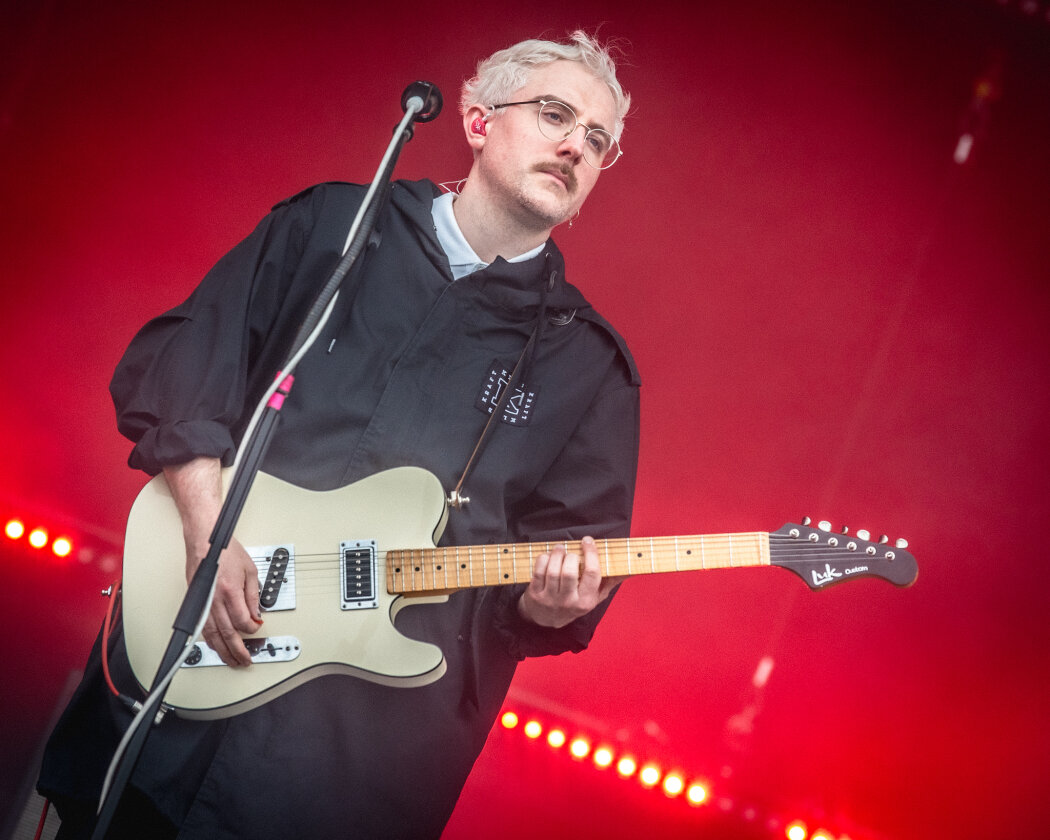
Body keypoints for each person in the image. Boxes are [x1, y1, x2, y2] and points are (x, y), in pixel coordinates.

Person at [38, 31, 639, 839]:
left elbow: (554, 581)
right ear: (475, 120)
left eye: (597, 140)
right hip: (178, 692)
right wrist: (207, 528)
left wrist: (548, 603)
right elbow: (187, 362)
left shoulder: (588, 365)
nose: (575, 145)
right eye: (556, 114)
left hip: (344, 773)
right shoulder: (334, 226)